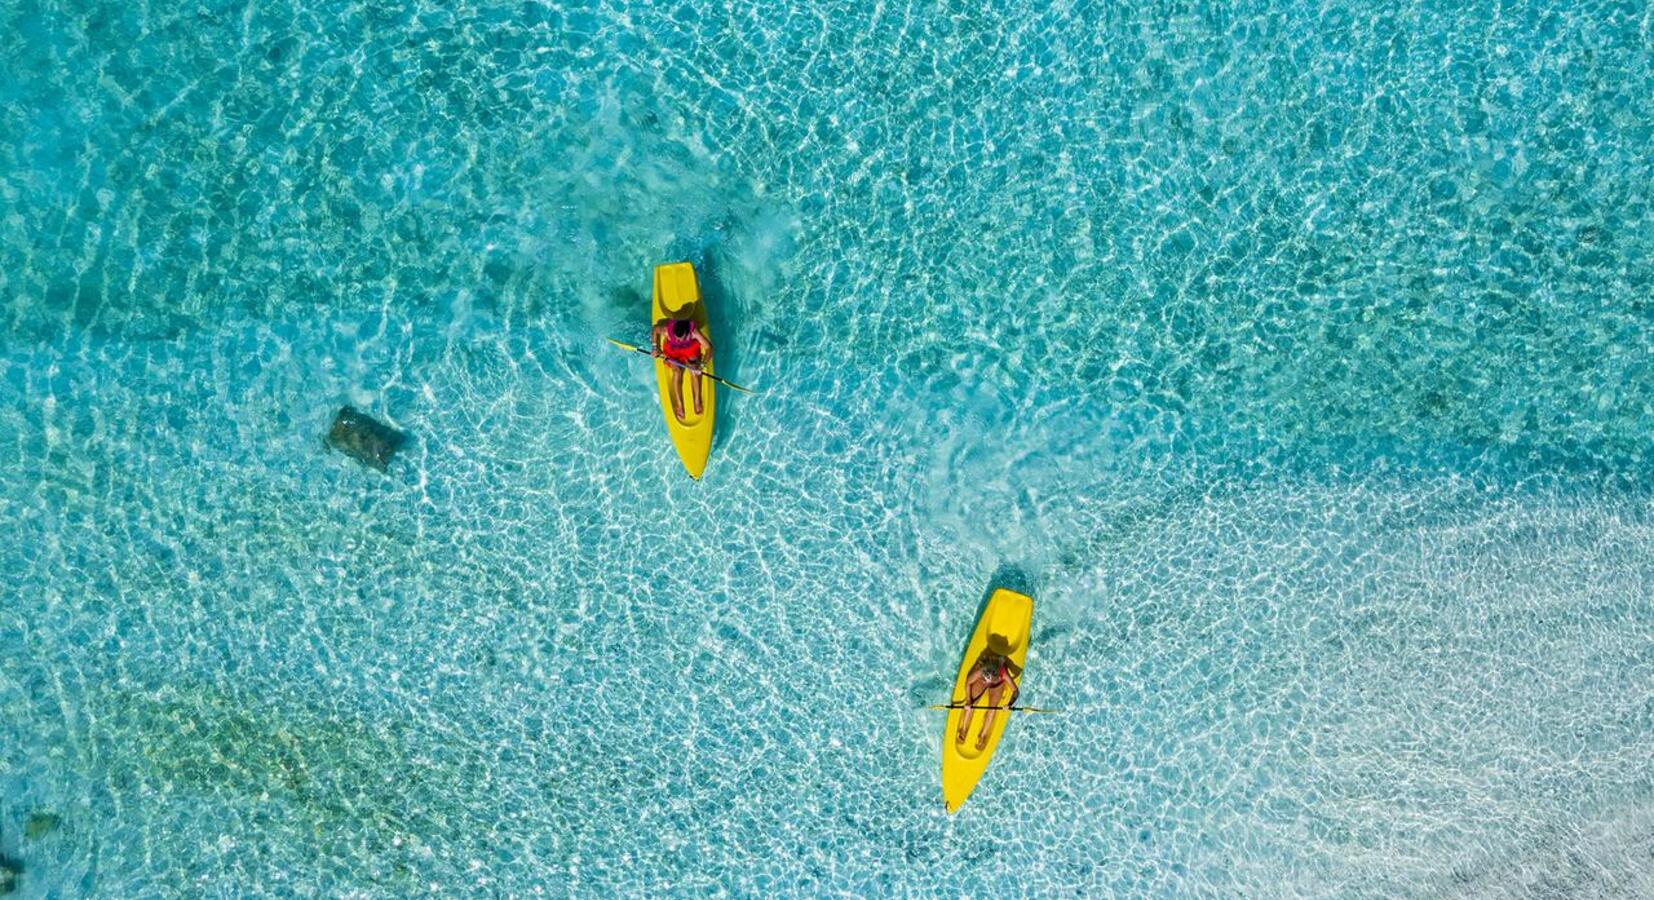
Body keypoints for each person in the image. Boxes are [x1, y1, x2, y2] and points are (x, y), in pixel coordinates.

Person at [956, 636, 1020, 750]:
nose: (987, 681)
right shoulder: (982, 669)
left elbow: (1015, 691)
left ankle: (983, 736)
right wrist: (969, 700)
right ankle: (964, 729)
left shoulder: (1003, 673)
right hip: (981, 680)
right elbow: (968, 683)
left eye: (989, 679)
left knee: (992, 709)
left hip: (997, 684)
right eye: (986, 678)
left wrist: (1009, 704)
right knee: (971, 703)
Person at [651, 316, 712, 421]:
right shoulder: (667, 331)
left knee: (694, 370)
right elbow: (655, 329)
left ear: (687, 333)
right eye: (677, 337)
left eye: (682, 338)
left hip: (690, 350)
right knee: (677, 372)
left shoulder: (694, 333)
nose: (679, 340)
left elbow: (709, 348)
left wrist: (702, 366)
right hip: (673, 352)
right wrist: (655, 348)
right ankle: (679, 405)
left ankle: (697, 400)